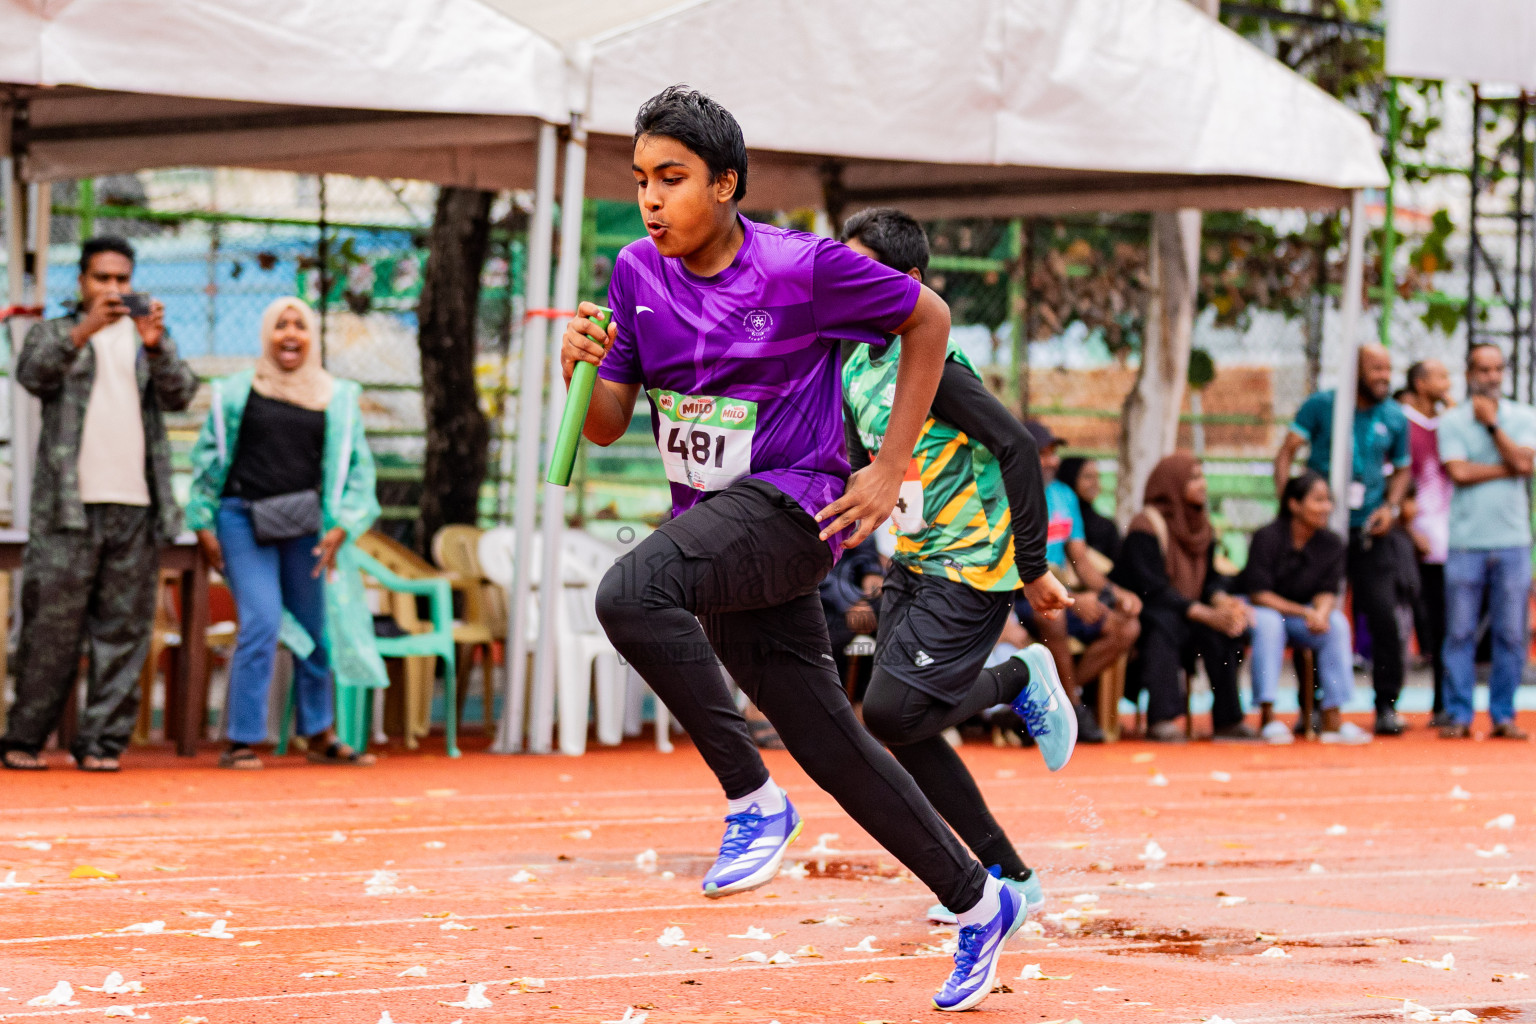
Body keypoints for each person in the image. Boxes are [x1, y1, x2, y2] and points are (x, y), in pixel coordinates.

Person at [566, 87, 1046, 1010]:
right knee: (834, 742)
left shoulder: (803, 268)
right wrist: (581, 369)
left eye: (673, 179)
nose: (652, 200)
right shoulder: (634, 271)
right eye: (640, 182)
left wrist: (890, 466)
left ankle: (753, 798)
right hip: (721, 529)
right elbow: (606, 425)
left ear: (729, 184)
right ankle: (978, 897)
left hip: (796, 510)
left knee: (629, 593)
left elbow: (929, 320)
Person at [835, 207, 1075, 927]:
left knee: (887, 710)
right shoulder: (856, 364)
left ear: (908, 283)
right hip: (911, 559)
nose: (846, 281)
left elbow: (1018, 448)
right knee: (905, 728)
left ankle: (1020, 675)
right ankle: (1010, 878)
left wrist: (1033, 568)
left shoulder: (932, 363)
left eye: (863, 268)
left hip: (972, 564)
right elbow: (869, 466)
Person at [1, 237, 198, 772]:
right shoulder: (56, 332)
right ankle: (23, 739)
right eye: (102, 279)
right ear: (82, 282)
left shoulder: (148, 336)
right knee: (50, 631)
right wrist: (86, 329)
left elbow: (182, 395)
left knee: (125, 630)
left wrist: (156, 346)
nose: (113, 289)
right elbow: (32, 374)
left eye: (122, 279)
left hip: (136, 506)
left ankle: (101, 744)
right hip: (68, 508)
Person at [185, 298, 383, 768]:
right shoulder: (235, 392)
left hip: (305, 524)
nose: (290, 334)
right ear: (266, 335)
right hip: (240, 518)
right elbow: (207, 459)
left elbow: (357, 470)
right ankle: (241, 738)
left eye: (299, 325)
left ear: (312, 336)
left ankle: (318, 732)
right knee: (261, 622)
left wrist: (343, 526)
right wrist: (201, 519)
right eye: (280, 325)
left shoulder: (337, 397)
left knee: (315, 628)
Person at [1274, 344, 1411, 736]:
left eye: (1388, 368)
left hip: (1369, 531)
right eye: (1376, 368)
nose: (1384, 375)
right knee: (1317, 615)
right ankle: (1311, 706)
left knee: (1383, 615)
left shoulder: (1394, 416)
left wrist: (1392, 506)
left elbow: (1402, 470)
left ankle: (1386, 705)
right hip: (1322, 531)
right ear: (1354, 371)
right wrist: (1291, 508)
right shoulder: (1321, 406)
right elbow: (1286, 454)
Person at [1014, 423, 1143, 743]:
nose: (1054, 461)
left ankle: (1054, 701)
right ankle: (1072, 707)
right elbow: (1014, 570)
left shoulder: (1063, 494)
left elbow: (1080, 560)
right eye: (1044, 454)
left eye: (1054, 453)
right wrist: (1073, 598)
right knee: (1053, 616)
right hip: (1019, 595)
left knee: (1126, 627)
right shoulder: (1009, 494)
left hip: (1059, 592)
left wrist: (1113, 592)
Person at [1112, 454, 1250, 742]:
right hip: (1148, 611)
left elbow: (1210, 580)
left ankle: (1228, 720)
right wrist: (1204, 612)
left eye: (1202, 476)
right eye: (1194, 478)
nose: (1203, 484)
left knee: (1223, 631)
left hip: (1191, 611)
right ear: (1172, 484)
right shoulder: (1145, 525)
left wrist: (1221, 602)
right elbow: (1152, 590)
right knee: (1163, 625)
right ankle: (1161, 718)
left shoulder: (1201, 525)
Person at [1436, 343, 1536, 740]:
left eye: (1497, 369)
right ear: (1469, 373)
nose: (1491, 377)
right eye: (1483, 369)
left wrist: (1493, 426)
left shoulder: (1523, 416)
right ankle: (1460, 715)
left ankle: (1503, 715)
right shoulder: (1453, 421)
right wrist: (1508, 466)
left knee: (1512, 634)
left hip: (1513, 541)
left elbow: (1525, 465)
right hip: (1465, 543)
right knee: (1459, 632)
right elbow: (1457, 473)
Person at [1239, 472, 1369, 745]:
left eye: (1328, 501)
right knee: (1270, 623)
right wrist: (1304, 612)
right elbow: (1259, 594)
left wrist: (1320, 613)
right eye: (1318, 500)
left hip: (1302, 616)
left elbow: (1327, 591)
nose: (1326, 508)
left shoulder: (1332, 543)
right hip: (1265, 610)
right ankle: (1268, 715)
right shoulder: (1267, 536)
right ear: (1294, 504)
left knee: (1337, 625)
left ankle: (1333, 719)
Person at [1398, 361, 1453, 726]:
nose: (1448, 384)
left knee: (1444, 625)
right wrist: (1407, 524)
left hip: (1447, 542)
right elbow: (1397, 477)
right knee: (1401, 622)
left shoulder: (1448, 423)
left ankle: (1442, 704)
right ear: (1420, 384)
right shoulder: (1401, 422)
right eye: (1441, 378)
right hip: (1409, 539)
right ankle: (1386, 705)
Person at [1057, 456, 1122, 562]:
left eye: (1097, 477)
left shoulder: (1105, 527)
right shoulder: (1056, 521)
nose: (1095, 483)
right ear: (1070, 477)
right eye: (1088, 477)